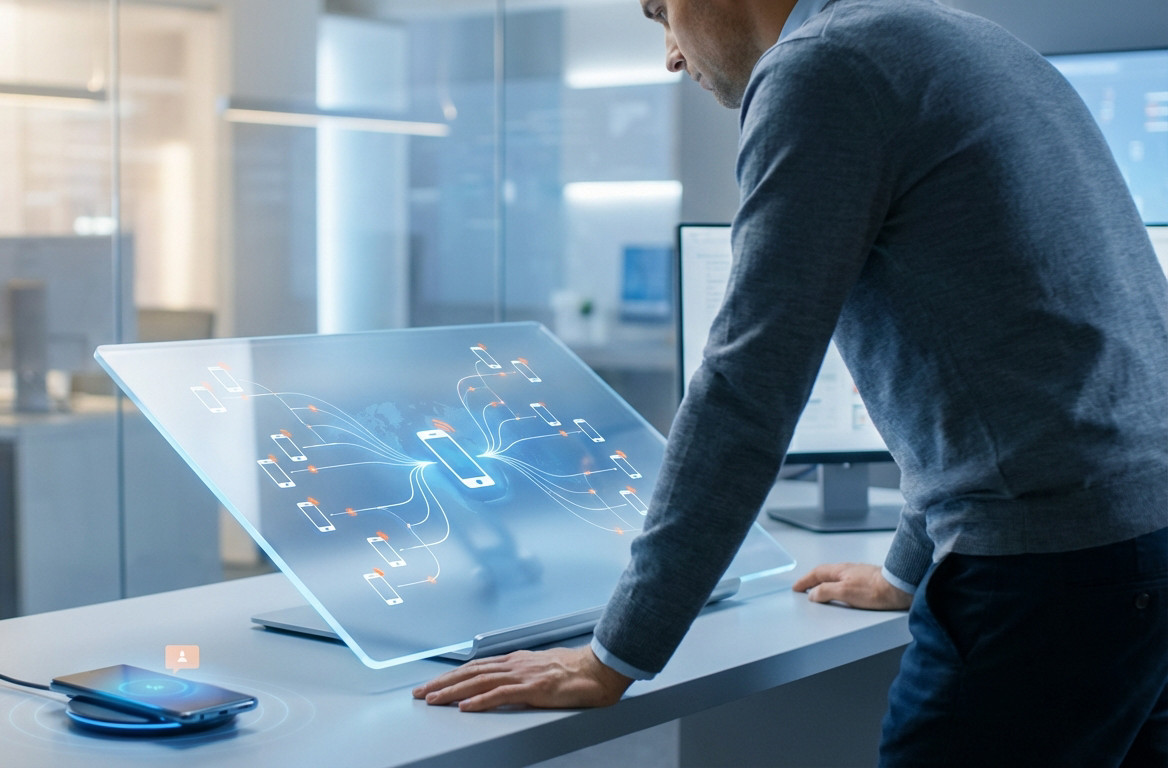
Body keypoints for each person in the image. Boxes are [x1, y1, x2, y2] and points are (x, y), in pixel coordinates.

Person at [413, 0, 1168, 764]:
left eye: (661, 12)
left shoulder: (821, 66)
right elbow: (1000, 362)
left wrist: (611, 657)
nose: (670, 54)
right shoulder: (958, 38)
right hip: (1140, 544)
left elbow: (747, 385)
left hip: (1053, 572)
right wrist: (907, 571)